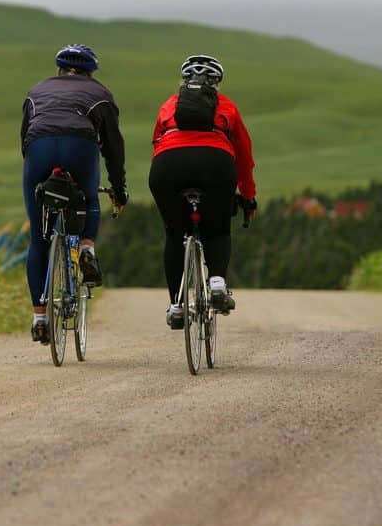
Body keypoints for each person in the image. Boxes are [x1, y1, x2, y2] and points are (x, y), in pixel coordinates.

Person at [21, 44, 127, 344]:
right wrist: (118, 189)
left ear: (59, 69)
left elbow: (25, 137)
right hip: (80, 147)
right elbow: (113, 148)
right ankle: (88, 249)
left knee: (38, 239)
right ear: (90, 71)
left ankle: (40, 317)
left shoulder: (36, 90)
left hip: (39, 150)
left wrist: (37, 177)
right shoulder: (100, 93)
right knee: (90, 197)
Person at [149, 55, 257, 329]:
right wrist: (247, 194)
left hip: (168, 166)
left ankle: (176, 306)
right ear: (217, 83)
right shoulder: (228, 107)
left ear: (184, 82)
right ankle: (218, 281)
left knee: (175, 235)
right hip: (215, 164)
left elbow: (157, 145)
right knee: (217, 230)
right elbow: (244, 156)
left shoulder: (168, 105)